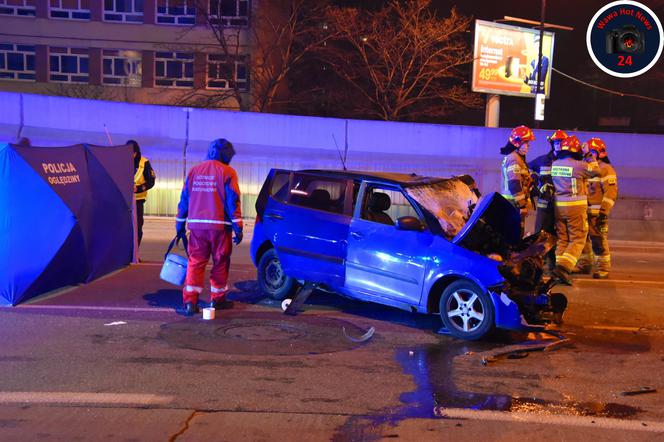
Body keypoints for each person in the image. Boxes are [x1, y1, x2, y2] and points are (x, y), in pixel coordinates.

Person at [176, 138, 243, 316]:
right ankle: (218, 299)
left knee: (196, 263)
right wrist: (238, 226)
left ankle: (190, 302)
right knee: (220, 262)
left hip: (197, 227)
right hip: (220, 227)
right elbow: (233, 200)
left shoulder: (194, 171)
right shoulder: (228, 172)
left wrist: (179, 224)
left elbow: (184, 200)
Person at [550, 135, 599, 285]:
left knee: (563, 238)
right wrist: (588, 154)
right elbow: (596, 170)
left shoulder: (555, 164)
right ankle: (564, 267)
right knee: (578, 238)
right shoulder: (579, 165)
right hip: (575, 208)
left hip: (559, 207)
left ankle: (558, 268)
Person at [575, 138, 618, 279]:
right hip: (583, 212)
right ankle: (584, 265)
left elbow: (611, 193)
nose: (589, 156)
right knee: (583, 241)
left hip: (597, 214)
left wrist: (604, 213)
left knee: (598, 241)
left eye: (591, 153)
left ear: (598, 153)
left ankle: (603, 269)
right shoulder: (586, 168)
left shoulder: (606, 169)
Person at [528, 129, 567, 271]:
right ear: (552, 144)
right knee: (541, 235)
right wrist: (536, 183)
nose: (558, 145)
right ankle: (537, 265)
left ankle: (555, 266)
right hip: (544, 205)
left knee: (558, 236)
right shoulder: (543, 160)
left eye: (561, 142)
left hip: (561, 205)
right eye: (556, 142)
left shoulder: (567, 161)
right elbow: (528, 169)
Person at [501, 125, 535, 237]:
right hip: (514, 203)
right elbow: (514, 183)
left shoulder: (515, 157)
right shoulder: (514, 158)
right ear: (517, 143)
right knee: (515, 235)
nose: (527, 146)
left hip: (513, 202)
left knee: (514, 233)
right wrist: (522, 205)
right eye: (525, 143)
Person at [128, 140, 156, 247]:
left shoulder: (144, 163)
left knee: (137, 227)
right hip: (124, 201)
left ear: (135, 153)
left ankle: (135, 253)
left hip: (138, 201)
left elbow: (151, 181)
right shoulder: (121, 161)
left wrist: (138, 188)